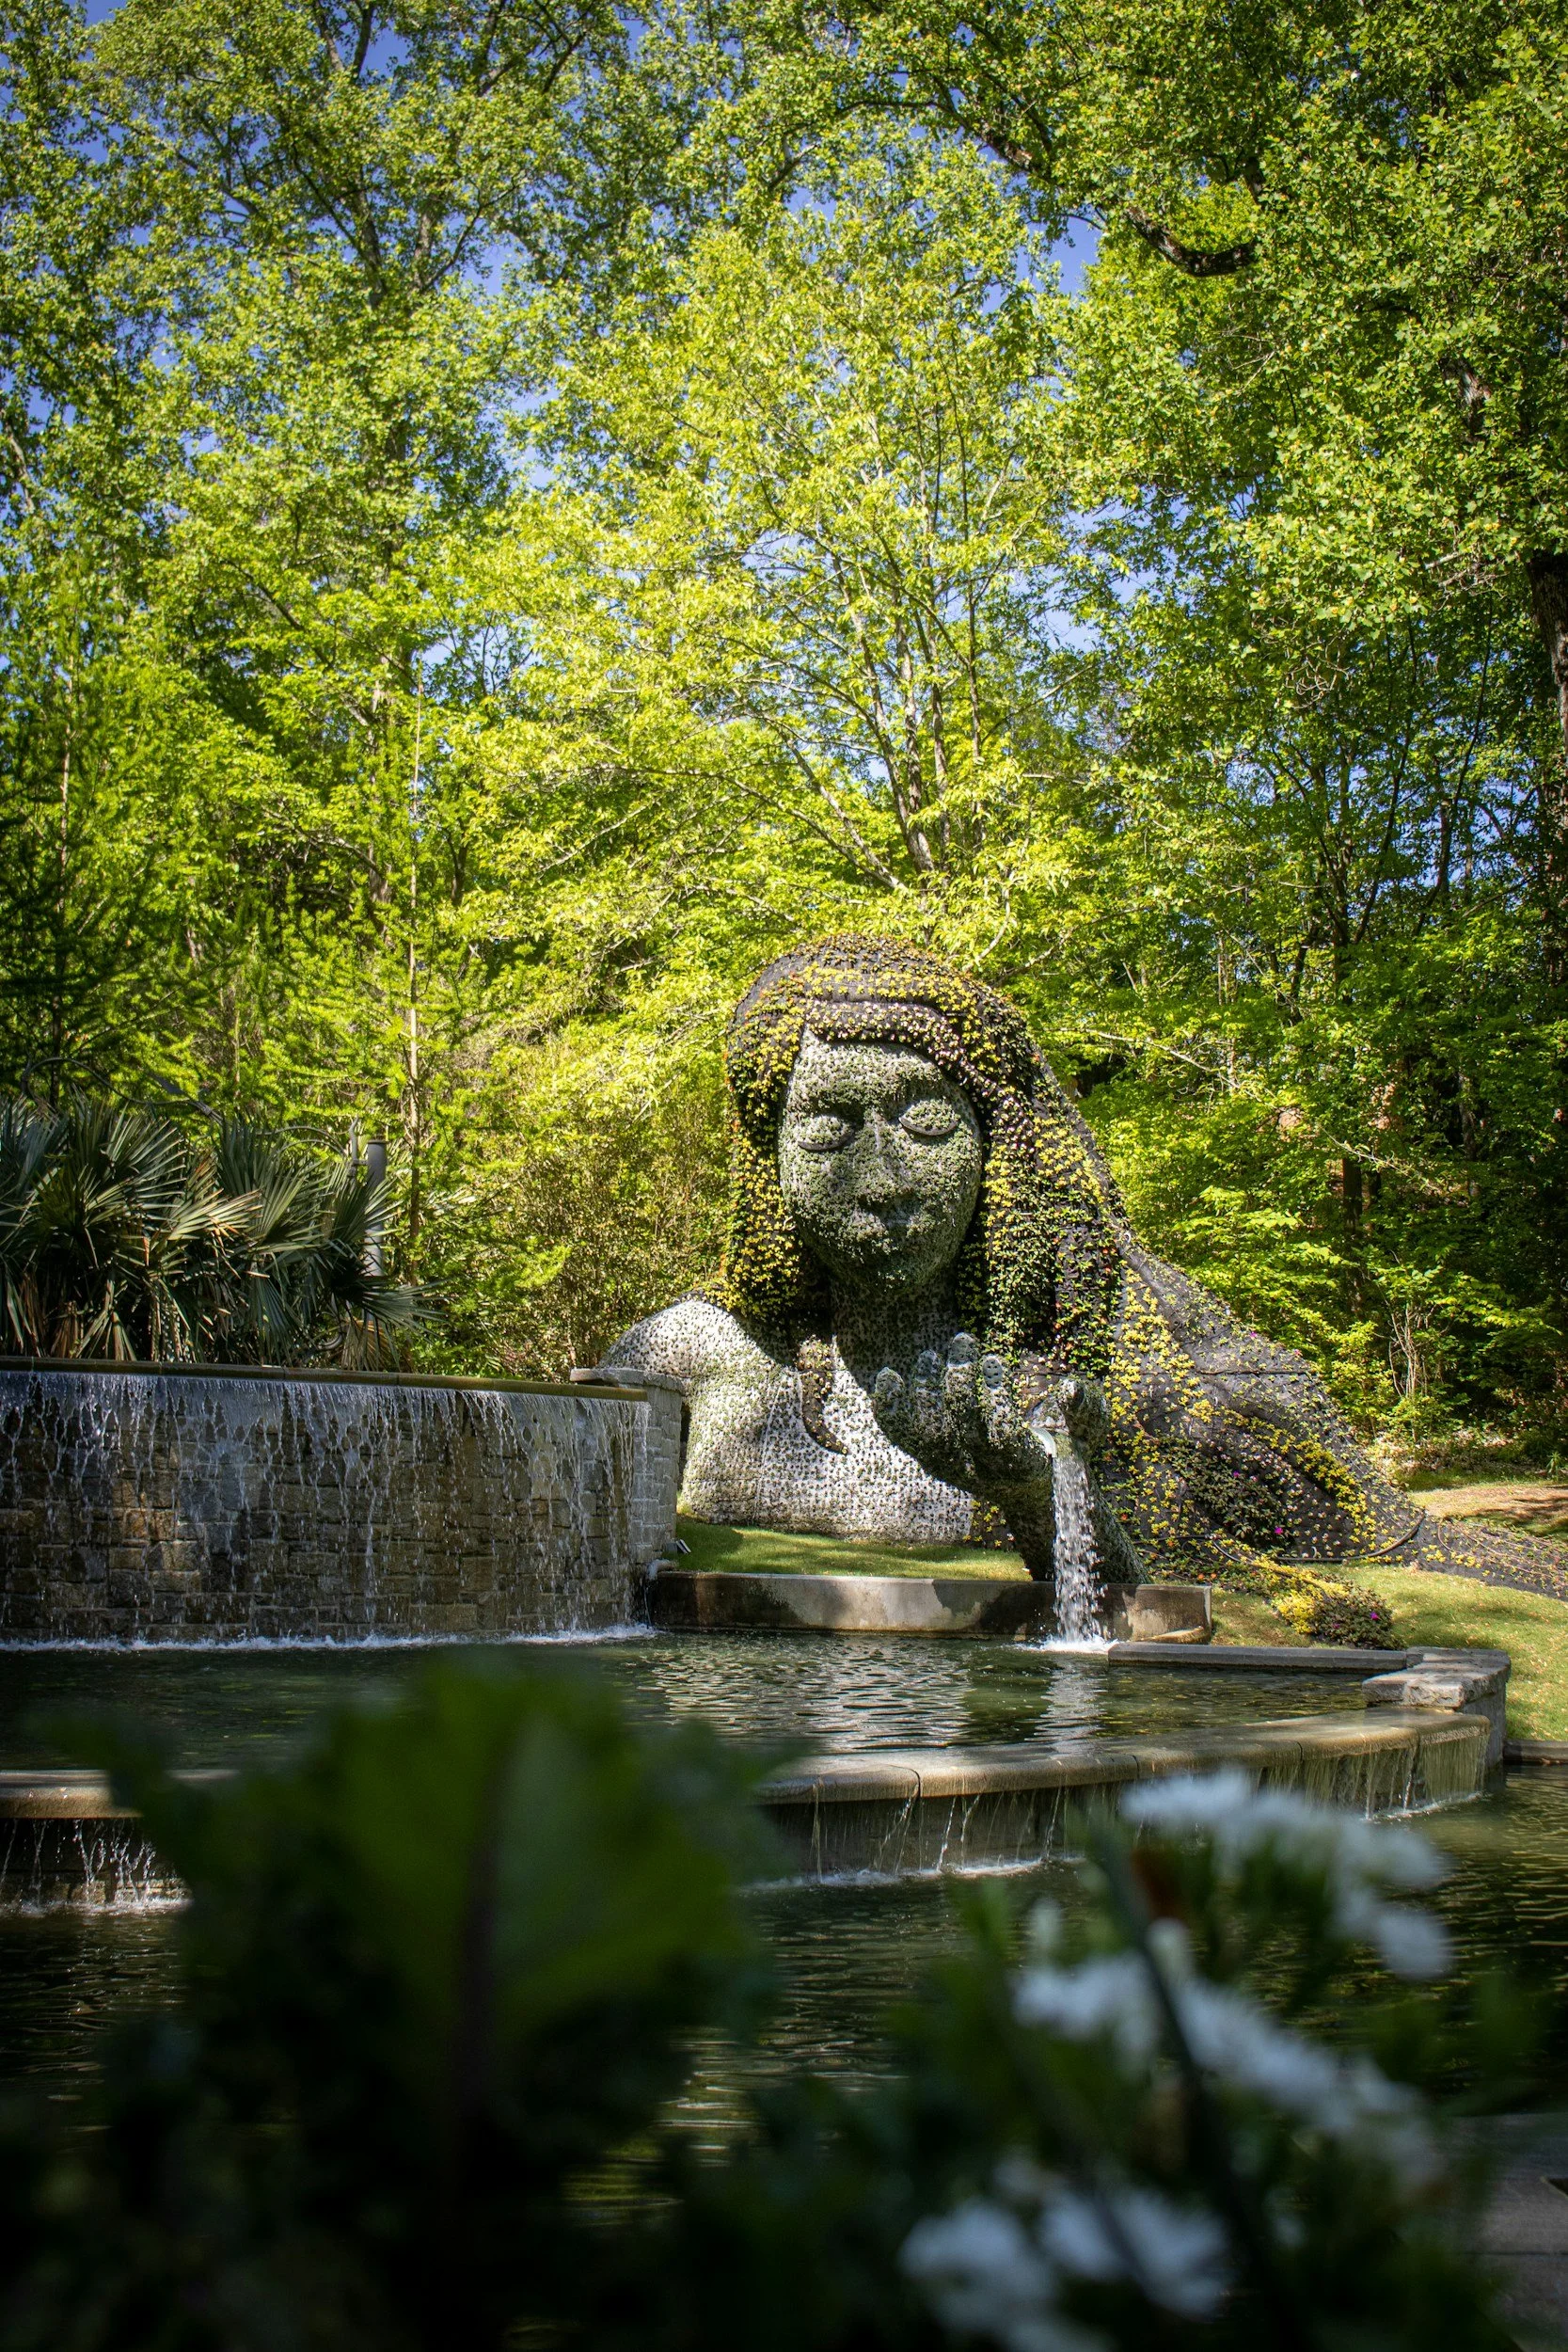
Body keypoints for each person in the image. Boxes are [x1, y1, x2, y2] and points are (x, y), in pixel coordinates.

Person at [603, 935, 1528, 1626]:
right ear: (767, 1163)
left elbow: (1134, 1620)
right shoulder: (684, 1357)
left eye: (925, 1126)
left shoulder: (1090, 1370)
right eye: (826, 1130)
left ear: (993, 1154)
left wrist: (1031, 1489)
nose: (879, 1181)